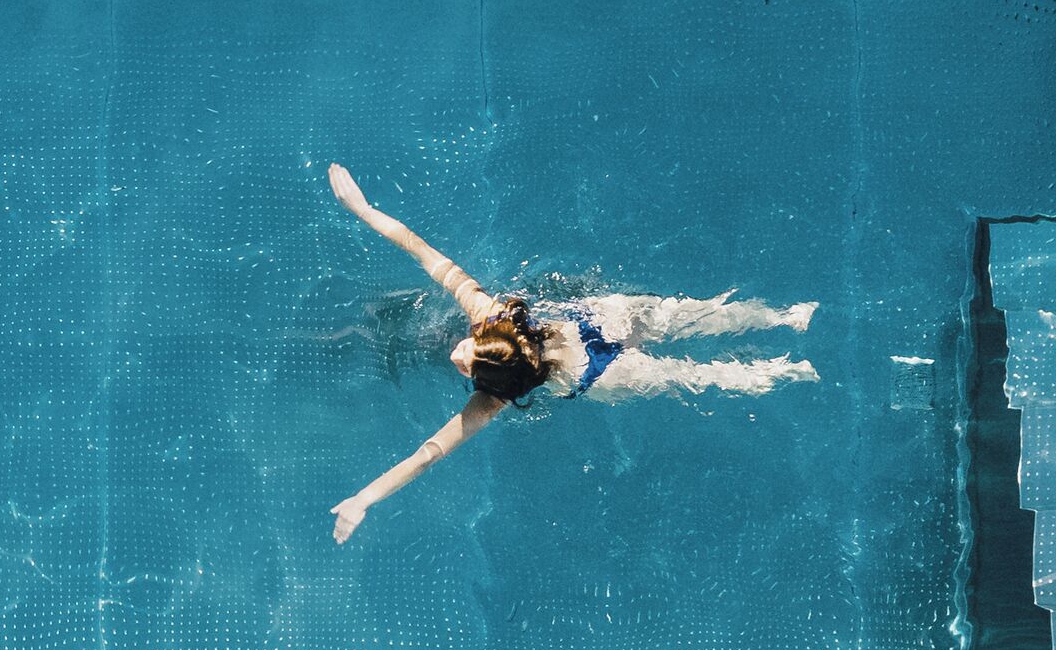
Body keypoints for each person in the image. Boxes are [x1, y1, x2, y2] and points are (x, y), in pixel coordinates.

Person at [321, 162, 819, 542]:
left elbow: (426, 454)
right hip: (599, 328)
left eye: (470, 355)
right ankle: (785, 324)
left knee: (691, 366)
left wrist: (366, 498)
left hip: (601, 370)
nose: (458, 351)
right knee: (689, 323)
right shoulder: (491, 316)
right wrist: (364, 211)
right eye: (470, 356)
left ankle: (787, 359)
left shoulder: (490, 396)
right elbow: (421, 250)